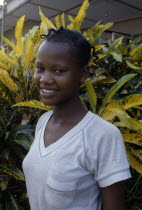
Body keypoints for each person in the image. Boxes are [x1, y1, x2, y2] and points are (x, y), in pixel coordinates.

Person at [22, 26, 131, 210]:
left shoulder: (103, 135)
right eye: (40, 68)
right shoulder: (43, 122)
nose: (44, 79)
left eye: (59, 71)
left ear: (83, 74)